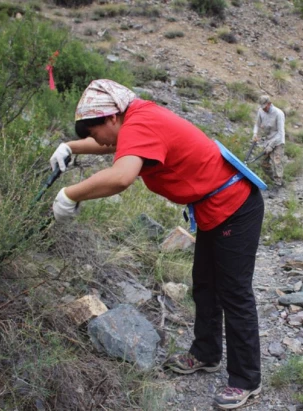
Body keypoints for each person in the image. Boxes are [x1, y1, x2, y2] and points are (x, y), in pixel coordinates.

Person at [49, 79, 264, 410]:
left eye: (93, 134)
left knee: (234, 292)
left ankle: (246, 379)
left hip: (235, 207)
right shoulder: (135, 119)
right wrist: (71, 147)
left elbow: (121, 177)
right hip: (213, 209)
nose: (97, 142)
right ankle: (206, 354)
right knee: (205, 285)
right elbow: (113, 146)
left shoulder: (141, 122)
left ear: (111, 118)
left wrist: (70, 194)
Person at [252, 95, 285, 188]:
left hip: (278, 141)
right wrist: (255, 134)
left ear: (269, 104)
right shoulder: (261, 111)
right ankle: (275, 179)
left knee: (277, 161)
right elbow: (257, 124)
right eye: (262, 107)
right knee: (264, 163)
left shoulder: (278, 113)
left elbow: (281, 133)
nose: (263, 109)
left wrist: (271, 146)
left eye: (265, 107)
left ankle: (278, 184)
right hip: (267, 140)